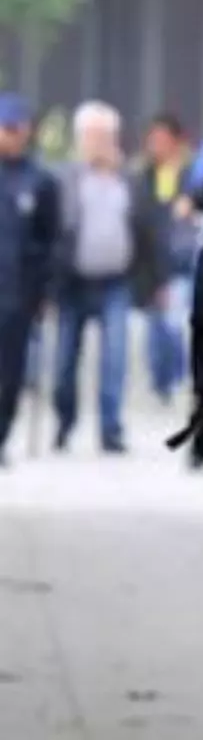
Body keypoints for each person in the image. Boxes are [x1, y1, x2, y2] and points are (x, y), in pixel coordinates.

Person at [53, 100, 167, 454]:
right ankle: (65, 421)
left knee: (115, 358)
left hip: (115, 281)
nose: (99, 142)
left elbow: (150, 231)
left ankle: (110, 429)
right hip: (73, 282)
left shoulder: (130, 180)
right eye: (92, 135)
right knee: (63, 364)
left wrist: (157, 281)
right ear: (80, 138)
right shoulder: (64, 179)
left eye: (106, 135)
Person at [0, 94, 59, 468]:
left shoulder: (41, 182)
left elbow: (49, 242)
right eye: (8, 128)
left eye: (20, 129)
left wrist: (45, 293)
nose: (15, 135)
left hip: (18, 296)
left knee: (10, 375)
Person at [138, 111, 195, 405]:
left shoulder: (191, 173)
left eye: (161, 139)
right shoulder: (144, 176)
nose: (155, 145)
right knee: (155, 327)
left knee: (174, 323)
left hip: (180, 261)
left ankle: (175, 377)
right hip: (152, 262)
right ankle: (161, 381)